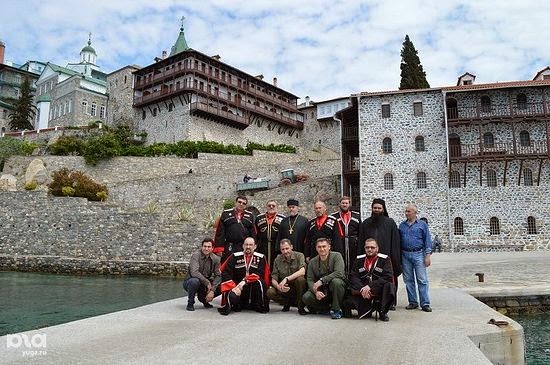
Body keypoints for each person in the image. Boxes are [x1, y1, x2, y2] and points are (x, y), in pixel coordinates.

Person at [358, 198, 402, 310]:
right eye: (375, 208)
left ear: (383, 209)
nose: (377, 210)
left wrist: (395, 259)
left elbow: (395, 242)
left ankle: (390, 302)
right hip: (369, 257)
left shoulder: (390, 223)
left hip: (386, 258)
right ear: (372, 209)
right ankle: (370, 300)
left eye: (379, 208)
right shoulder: (366, 223)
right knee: (370, 279)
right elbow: (361, 241)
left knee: (388, 279)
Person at [218, 237, 271, 315]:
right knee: (232, 296)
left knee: (259, 282)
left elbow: (259, 273)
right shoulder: (235, 256)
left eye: (251, 245)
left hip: (253, 288)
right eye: (246, 244)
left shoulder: (261, 257)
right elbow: (226, 273)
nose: (248, 247)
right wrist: (234, 287)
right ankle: (237, 304)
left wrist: (245, 281)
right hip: (238, 287)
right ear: (243, 246)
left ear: (255, 246)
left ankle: (259, 305)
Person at [347, 238, 396, 321]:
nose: (369, 249)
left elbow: (388, 276)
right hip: (362, 290)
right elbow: (353, 276)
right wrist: (363, 289)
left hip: (378, 289)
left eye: (372, 247)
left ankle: (382, 312)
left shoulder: (385, 259)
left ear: (377, 248)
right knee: (347, 291)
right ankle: (364, 309)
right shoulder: (359, 259)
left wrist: (370, 287)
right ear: (364, 248)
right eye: (367, 247)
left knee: (389, 286)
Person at [399, 204, 433, 312]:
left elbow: (427, 240)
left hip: (419, 254)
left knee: (422, 280)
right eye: (406, 211)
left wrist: (427, 256)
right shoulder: (402, 226)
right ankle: (413, 302)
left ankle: (425, 303)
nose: (406, 213)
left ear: (415, 213)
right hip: (405, 254)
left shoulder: (422, 225)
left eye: (409, 211)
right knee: (408, 280)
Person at [302, 238, 346, 319]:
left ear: (329, 247)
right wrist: (316, 292)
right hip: (323, 290)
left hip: (335, 288)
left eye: (324, 246)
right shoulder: (312, 262)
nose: (322, 249)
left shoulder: (337, 256)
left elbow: (339, 273)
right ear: (316, 248)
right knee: (306, 297)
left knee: (336, 282)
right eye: (319, 247)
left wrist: (322, 280)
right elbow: (310, 279)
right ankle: (325, 308)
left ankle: (336, 309)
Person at [267, 239, 308, 315]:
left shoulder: (299, 255)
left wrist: (286, 279)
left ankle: (300, 306)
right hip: (284, 288)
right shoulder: (277, 260)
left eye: (287, 248)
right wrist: (278, 286)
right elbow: (274, 278)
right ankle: (287, 303)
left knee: (301, 280)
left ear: (291, 247)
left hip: (297, 287)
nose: (285, 251)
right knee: (270, 292)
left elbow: (302, 271)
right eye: (283, 249)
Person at [182, 238, 221, 311]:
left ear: (212, 248)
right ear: (201, 247)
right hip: (190, 281)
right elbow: (194, 272)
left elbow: (218, 275)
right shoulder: (196, 255)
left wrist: (212, 290)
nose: (206, 249)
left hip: (204, 284)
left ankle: (205, 300)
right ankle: (190, 303)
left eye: (209, 247)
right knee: (194, 281)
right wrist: (207, 282)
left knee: (222, 284)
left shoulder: (216, 259)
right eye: (204, 246)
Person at [213, 195, 255, 261]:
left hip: (244, 246)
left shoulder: (250, 216)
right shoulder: (226, 214)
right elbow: (219, 232)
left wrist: (253, 247)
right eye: (239, 202)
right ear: (235, 203)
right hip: (229, 246)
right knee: (228, 265)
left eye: (244, 203)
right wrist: (219, 248)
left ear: (246, 206)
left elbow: (253, 233)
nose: (241, 204)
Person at [331, 196, 361, 277]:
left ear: (349, 204)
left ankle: (353, 282)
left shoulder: (357, 216)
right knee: (340, 262)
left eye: (346, 203)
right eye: (343, 203)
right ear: (339, 204)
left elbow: (360, 232)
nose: (344, 205)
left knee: (353, 263)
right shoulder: (334, 217)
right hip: (339, 243)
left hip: (353, 244)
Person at [255, 200, 285, 267]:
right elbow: (255, 233)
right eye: (269, 205)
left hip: (276, 247)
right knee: (262, 264)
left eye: (273, 206)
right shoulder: (259, 218)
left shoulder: (282, 218)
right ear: (266, 207)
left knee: (275, 265)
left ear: (277, 207)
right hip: (262, 246)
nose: (271, 207)